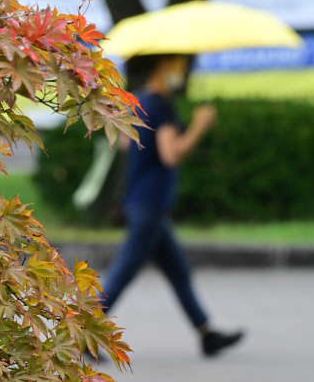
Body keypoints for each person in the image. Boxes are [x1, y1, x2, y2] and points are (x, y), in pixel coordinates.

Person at [100, 54, 244, 357]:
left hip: (141, 201)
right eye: (178, 65)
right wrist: (200, 125)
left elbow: (126, 144)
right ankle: (84, 333)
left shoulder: (137, 102)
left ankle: (207, 334)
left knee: (178, 272)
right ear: (162, 67)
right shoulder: (162, 107)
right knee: (123, 273)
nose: (183, 71)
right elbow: (171, 154)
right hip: (149, 205)